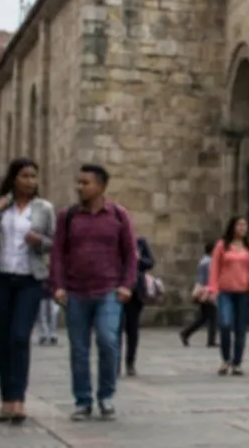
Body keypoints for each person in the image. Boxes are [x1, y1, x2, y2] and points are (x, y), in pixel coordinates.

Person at [51, 164, 137, 422]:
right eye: (79, 182)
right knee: (79, 349)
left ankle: (106, 396)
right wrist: (58, 285)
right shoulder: (68, 217)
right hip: (76, 292)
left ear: (101, 186)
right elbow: (57, 253)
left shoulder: (118, 216)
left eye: (86, 183)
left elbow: (130, 253)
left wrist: (126, 285)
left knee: (108, 341)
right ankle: (83, 401)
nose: (80, 187)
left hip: (108, 290)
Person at [0, 157, 55, 425]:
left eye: (34, 176)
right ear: (14, 178)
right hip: (0, 279)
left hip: (30, 280)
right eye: (25, 176)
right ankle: (6, 400)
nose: (31, 181)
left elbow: (54, 242)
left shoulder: (44, 208)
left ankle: (19, 400)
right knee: (4, 340)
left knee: (20, 337)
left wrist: (40, 241)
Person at [208, 216, 249, 376]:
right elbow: (215, 267)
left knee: (240, 329)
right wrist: (212, 289)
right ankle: (225, 359)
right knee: (225, 323)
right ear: (232, 227)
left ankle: (237, 362)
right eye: (239, 225)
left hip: (244, 292)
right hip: (225, 291)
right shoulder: (222, 245)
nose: (242, 228)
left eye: (244, 225)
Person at [119, 235, 155, 377]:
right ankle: (114, 362)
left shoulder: (140, 242)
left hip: (136, 293)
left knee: (132, 329)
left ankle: (130, 363)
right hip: (118, 290)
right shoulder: (114, 241)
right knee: (114, 329)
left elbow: (150, 262)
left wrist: (137, 259)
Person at [179, 242, 217, 348]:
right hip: (207, 291)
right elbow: (208, 279)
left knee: (204, 318)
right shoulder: (209, 262)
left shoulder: (203, 261)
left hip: (202, 290)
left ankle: (186, 333)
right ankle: (211, 341)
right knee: (212, 316)